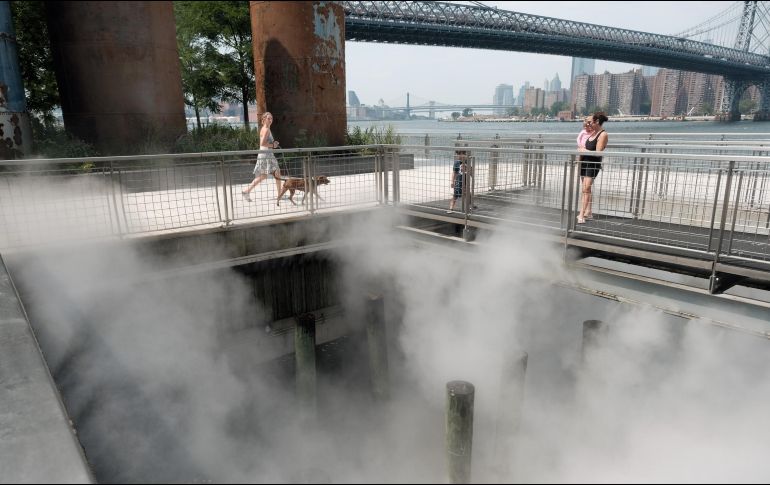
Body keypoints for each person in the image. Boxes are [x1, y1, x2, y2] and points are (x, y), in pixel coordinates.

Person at [242, 112, 281, 202]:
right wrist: (273, 145)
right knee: (277, 172)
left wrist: (272, 144)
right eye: (268, 118)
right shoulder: (266, 129)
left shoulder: (264, 128)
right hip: (267, 154)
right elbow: (262, 143)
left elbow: (263, 144)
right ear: (263, 119)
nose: (270, 120)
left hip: (264, 153)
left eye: (271, 118)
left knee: (263, 176)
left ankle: (246, 191)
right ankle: (280, 194)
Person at [577, 111, 609, 224]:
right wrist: (579, 160)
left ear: (597, 122)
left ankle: (581, 215)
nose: (588, 124)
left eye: (590, 122)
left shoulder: (603, 134)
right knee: (585, 189)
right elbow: (582, 146)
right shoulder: (591, 133)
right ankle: (588, 212)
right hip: (585, 163)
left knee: (586, 189)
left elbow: (598, 153)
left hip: (593, 164)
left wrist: (583, 150)